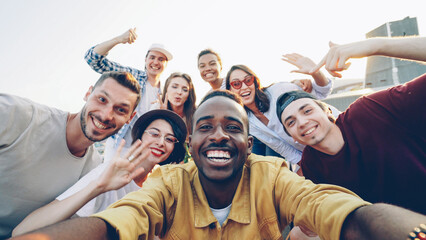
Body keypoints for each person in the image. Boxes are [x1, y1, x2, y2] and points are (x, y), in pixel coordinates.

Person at [12, 90, 426, 240]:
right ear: (191, 146)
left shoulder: (273, 176)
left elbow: (341, 212)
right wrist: (101, 185)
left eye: (232, 127)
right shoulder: (165, 181)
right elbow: (115, 223)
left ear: (249, 144)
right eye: (205, 127)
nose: (219, 136)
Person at [276, 37, 426, 215]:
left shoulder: (369, 110)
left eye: (307, 111)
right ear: (292, 136)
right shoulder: (311, 165)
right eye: (291, 122)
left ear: (328, 112)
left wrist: (375, 46)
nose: (302, 122)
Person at [0, 71, 141, 238]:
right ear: (88, 93)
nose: (105, 115)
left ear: (130, 118)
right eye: (102, 100)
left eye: (120, 110)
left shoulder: (94, 169)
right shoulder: (17, 114)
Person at [12, 109, 187, 236]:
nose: (161, 142)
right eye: (154, 134)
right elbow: (22, 231)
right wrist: (99, 186)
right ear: (140, 137)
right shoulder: (110, 170)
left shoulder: (160, 186)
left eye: (170, 139)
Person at [225, 54, 334, 170]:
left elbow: (322, 91)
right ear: (230, 90)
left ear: (255, 82)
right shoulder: (248, 120)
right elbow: (278, 145)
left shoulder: (279, 90)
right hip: (315, 155)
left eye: (248, 80)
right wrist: (306, 167)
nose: (244, 87)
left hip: (334, 136)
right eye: (236, 84)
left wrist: (315, 72)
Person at [85, 27, 173, 162]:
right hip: (119, 144)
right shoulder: (132, 77)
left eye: (161, 59)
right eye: (152, 57)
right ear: (145, 60)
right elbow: (93, 59)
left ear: (166, 64)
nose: (156, 62)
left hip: (145, 150)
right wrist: (118, 40)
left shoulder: (167, 91)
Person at [158, 72, 196, 138]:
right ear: (166, 89)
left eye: (185, 90)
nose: (179, 92)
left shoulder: (195, 115)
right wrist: (163, 115)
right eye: (174, 87)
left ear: (188, 95)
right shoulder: (156, 109)